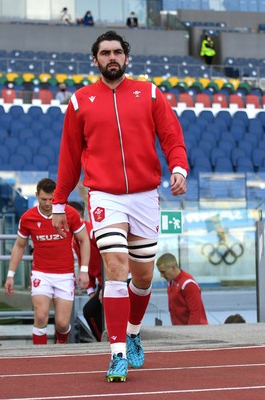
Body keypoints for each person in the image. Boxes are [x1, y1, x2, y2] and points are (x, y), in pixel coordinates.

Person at [51, 30, 188, 382]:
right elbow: (68, 158)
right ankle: (116, 354)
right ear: (95, 60)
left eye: (117, 52)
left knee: (142, 277)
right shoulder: (80, 101)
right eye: (104, 52)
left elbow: (171, 135)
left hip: (144, 195)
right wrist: (58, 202)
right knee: (115, 266)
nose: (111, 57)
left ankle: (132, 332)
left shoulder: (150, 93)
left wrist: (178, 167)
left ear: (126, 57)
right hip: (104, 195)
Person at [4, 178, 90, 345]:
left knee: (63, 324)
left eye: (51, 199)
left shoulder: (70, 213)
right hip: (41, 274)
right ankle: (39, 356)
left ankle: (61, 343)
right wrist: (10, 275)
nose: (48, 203)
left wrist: (84, 270)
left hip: (65, 274)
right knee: (41, 315)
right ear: (37, 195)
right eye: (44, 199)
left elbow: (84, 240)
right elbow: (19, 246)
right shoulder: (28, 218)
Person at [69, 201, 104, 342]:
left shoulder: (92, 232)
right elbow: (86, 264)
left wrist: (108, 285)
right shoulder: (75, 240)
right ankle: (104, 342)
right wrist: (91, 291)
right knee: (90, 311)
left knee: (93, 311)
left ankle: (112, 342)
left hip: (115, 278)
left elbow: (110, 257)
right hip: (103, 282)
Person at [156, 253, 208, 326]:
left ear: (173, 268)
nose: (161, 275)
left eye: (163, 272)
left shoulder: (188, 284)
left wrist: (189, 333)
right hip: (181, 329)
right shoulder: (170, 282)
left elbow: (196, 312)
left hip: (194, 330)